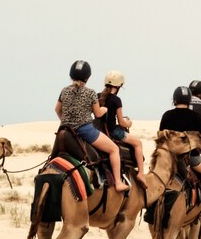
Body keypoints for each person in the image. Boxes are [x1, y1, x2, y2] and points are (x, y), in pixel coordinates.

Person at [56, 60, 127, 192]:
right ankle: (118, 182)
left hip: (65, 130)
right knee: (114, 149)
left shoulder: (64, 91)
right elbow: (98, 114)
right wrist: (104, 109)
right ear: (87, 78)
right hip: (85, 130)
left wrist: (66, 122)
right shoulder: (90, 93)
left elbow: (57, 110)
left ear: (71, 76)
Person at [159, 86, 201, 207]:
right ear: (189, 100)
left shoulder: (167, 115)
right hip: (190, 157)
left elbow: (161, 136)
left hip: (169, 157)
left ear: (174, 100)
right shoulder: (194, 116)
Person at [98, 70, 147, 187]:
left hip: (99, 131)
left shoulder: (98, 96)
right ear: (118, 86)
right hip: (113, 131)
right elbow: (121, 122)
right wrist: (129, 123)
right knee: (138, 143)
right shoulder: (116, 100)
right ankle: (141, 173)